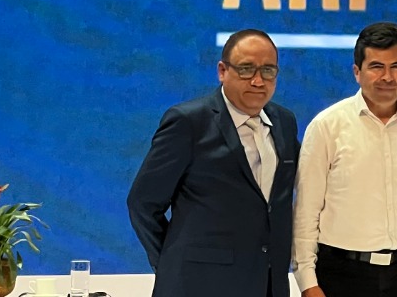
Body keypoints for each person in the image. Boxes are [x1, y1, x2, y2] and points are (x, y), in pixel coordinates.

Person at [127, 28, 300, 297]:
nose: (258, 81)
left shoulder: (284, 122)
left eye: (268, 71)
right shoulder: (188, 122)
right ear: (222, 71)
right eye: (246, 69)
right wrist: (172, 263)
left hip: (268, 285)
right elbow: (143, 203)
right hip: (196, 286)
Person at [292, 21, 397, 297]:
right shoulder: (326, 127)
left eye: (396, 66)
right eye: (376, 66)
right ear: (357, 72)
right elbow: (306, 210)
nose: (387, 77)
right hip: (341, 274)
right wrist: (307, 282)